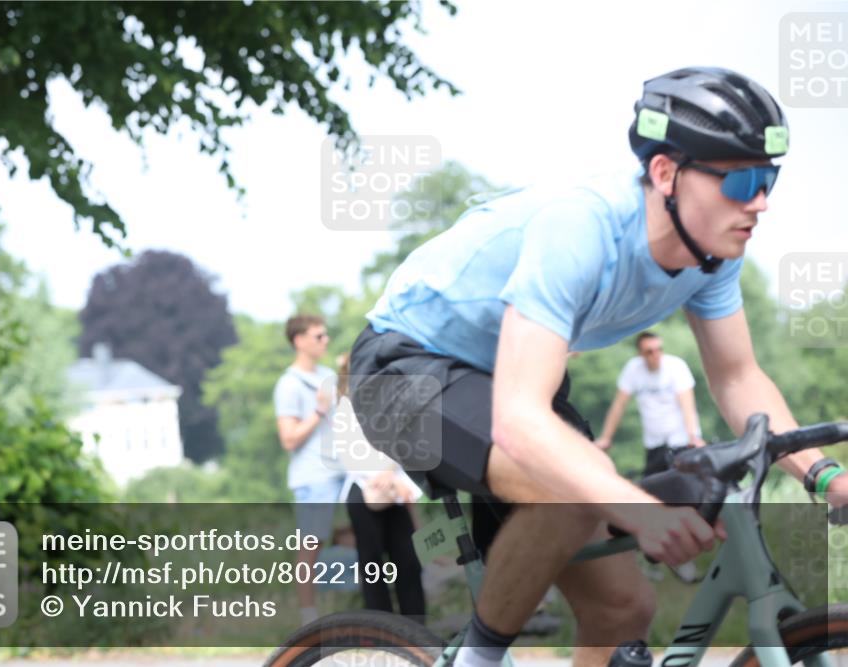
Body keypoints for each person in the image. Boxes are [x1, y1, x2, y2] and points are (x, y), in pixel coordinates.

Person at [347, 67, 848, 667]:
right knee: (576, 485)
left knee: (623, 609)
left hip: (510, 380)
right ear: (666, 173)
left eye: (770, 178)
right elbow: (518, 422)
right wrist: (635, 510)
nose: (761, 202)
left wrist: (823, 475)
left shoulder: (711, 254)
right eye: (741, 180)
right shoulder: (580, 228)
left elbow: (738, 377)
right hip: (406, 368)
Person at [331, 353, 426, 623]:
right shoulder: (345, 409)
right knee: (373, 567)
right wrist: (384, 474)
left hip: (395, 493)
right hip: (365, 492)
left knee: (408, 562)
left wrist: (392, 475)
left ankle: (416, 634)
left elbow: (403, 442)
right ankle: (382, 632)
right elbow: (351, 455)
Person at [273, 314, 345, 625]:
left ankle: (359, 604)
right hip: (313, 478)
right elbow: (289, 439)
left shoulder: (328, 374)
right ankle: (308, 616)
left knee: (355, 535)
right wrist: (318, 409)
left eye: (326, 335)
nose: (325, 341)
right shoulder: (288, 385)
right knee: (311, 545)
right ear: (299, 341)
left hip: (343, 472)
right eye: (318, 336)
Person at [595, 331, 706, 477]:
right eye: (649, 352)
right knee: (652, 488)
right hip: (654, 443)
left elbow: (687, 406)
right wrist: (606, 438)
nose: (656, 355)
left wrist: (693, 436)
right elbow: (618, 406)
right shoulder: (633, 369)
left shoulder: (676, 366)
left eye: (659, 349)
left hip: (682, 441)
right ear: (640, 354)